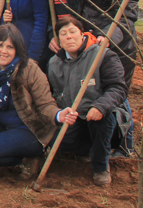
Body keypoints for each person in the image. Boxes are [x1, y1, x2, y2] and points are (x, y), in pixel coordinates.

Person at [0, 24, 78, 179]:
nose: (3, 51)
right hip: (3, 125)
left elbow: (45, 104)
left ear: (17, 50)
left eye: (10, 47)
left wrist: (59, 115)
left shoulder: (30, 70)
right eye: (0, 45)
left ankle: (28, 159)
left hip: (30, 129)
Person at [76, 0, 139, 157]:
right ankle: (94, 143)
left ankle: (125, 144)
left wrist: (107, 37)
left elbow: (126, 18)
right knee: (94, 92)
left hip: (116, 48)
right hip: (90, 43)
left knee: (117, 95)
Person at [48, 16, 128, 186]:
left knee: (102, 121)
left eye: (72, 32)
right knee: (56, 141)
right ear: (58, 40)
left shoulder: (102, 55)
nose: (69, 36)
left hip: (102, 117)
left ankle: (100, 166)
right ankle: (86, 150)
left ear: (82, 33)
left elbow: (118, 88)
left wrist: (100, 106)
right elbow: (54, 95)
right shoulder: (54, 64)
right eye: (63, 34)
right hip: (75, 119)